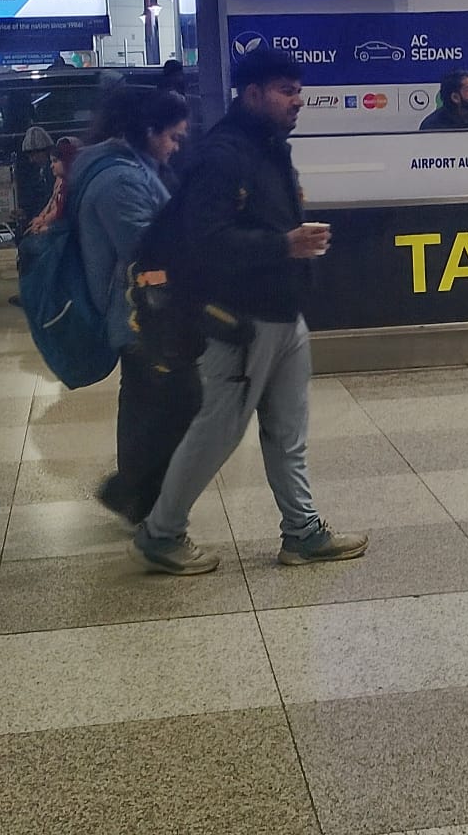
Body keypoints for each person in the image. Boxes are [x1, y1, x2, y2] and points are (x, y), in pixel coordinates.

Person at [131, 47, 368, 576]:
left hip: (285, 313)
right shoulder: (223, 155)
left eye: (298, 90)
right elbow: (206, 241)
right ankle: (161, 532)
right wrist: (284, 245)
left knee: (288, 430)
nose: (297, 100)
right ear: (254, 93)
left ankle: (302, 531)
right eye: (286, 90)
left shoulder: (269, 147)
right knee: (219, 428)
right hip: (241, 320)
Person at [73, 87, 198, 525]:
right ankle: (138, 496)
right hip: (138, 314)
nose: (176, 146)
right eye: (173, 137)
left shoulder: (138, 168)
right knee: (175, 401)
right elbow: (146, 248)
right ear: (148, 131)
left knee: (149, 404)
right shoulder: (120, 179)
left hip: (145, 311)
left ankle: (135, 494)